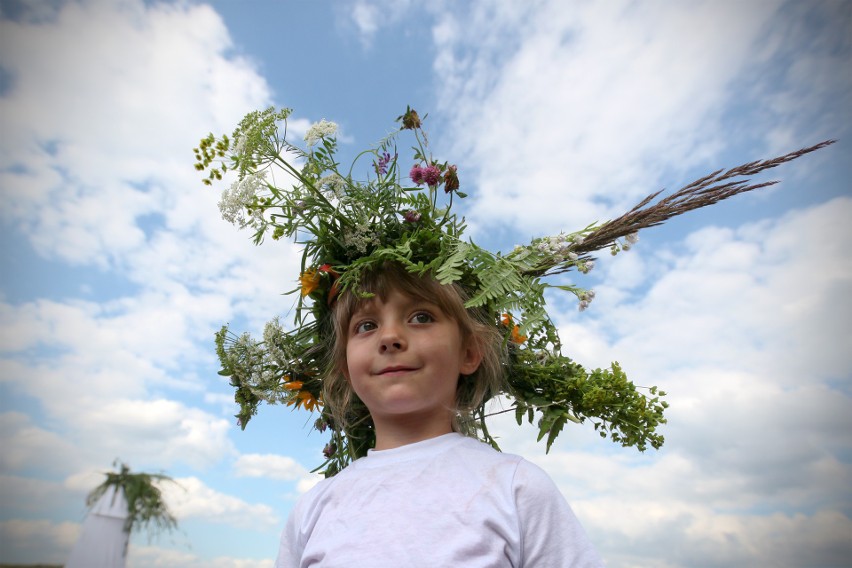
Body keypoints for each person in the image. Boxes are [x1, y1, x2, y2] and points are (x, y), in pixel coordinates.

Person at [274, 262, 604, 567]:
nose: (389, 338)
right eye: (367, 325)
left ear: (470, 352)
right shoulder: (312, 510)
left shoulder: (518, 488)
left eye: (421, 317)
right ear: (346, 369)